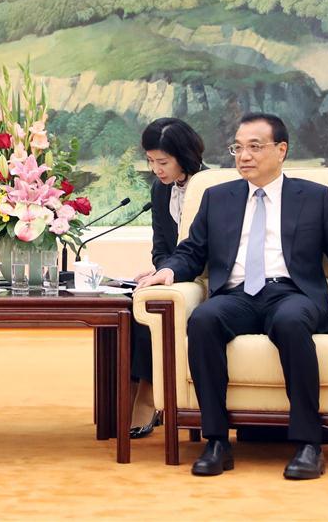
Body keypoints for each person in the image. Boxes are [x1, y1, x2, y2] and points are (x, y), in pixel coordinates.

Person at [138, 112, 328, 479]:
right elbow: (192, 251)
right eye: (238, 147)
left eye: (255, 146)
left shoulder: (313, 197)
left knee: (289, 321)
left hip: (290, 293)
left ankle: (307, 444)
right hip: (236, 294)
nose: (244, 156)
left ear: (281, 150)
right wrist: (167, 272)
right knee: (203, 319)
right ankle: (217, 441)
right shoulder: (217, 197)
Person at [129, 118, 206, 439]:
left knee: (159, 302)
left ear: (184, 156)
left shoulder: (214, 185)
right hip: (177, 278)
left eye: (163, 162)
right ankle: (131, 390)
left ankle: (149, 395)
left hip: (210, 278)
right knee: (136, 302)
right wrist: (163, 269)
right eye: (150, 161)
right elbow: (161, 246)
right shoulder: (160, 190)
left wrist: (172, 270)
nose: (156, 169)